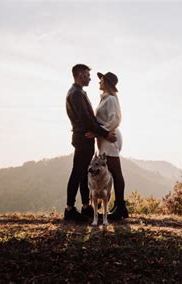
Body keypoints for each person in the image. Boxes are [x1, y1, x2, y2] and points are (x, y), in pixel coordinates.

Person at [64, 64, 117, 222]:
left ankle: (86, 207)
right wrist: (106, 133)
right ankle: (69, 209)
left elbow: (91, 119)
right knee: (77, 173)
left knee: (83, 174)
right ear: (80, 75)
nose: (90, 77)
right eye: (87, 75)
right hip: (83, 138)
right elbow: (87, 120)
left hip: (84, 137)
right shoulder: (76, 94)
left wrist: (99, 131)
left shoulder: (78, 92)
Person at [85, 71, 129, 220]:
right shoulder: (105, 99)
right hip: (105, 138)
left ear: (107, 83)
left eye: (101, 80)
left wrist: (100, 133)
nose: (99, 82)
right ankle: (118, 206)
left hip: (110, 139)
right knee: (112, 171)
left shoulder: (110, 99)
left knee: (115, 172)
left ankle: (121, 207)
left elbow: (115, 120)